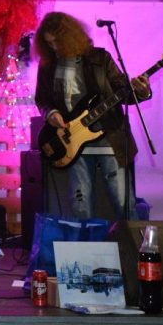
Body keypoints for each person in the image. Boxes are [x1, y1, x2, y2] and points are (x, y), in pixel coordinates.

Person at [34, 12, 150, 221]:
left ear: (70, 37)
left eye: (57, 42)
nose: (54, 47)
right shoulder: (48, 65)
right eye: (49, 43)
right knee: (80, 205)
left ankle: (132, 243)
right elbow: (42, 99)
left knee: (123, 202)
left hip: (109, 139)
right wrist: (51, 113)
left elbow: (124, 92)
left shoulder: (100, 59)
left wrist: (142, 91)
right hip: (74, 144)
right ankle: (86, 243)